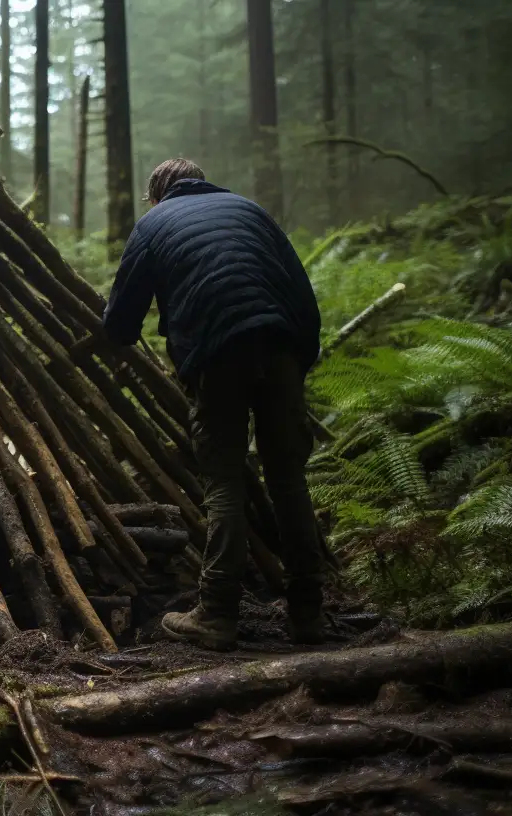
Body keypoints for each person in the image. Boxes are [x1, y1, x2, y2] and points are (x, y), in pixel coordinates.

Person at [102, 158, 325, 651]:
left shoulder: (153, 224)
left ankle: (218, 613)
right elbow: (302, 294)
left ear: (156, 196)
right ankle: (308, 613)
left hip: (219, 354)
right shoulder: (251, 210)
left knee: (223, 480)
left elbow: (119, 325)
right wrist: (298, 360)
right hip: (282, 342)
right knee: (289, 479)